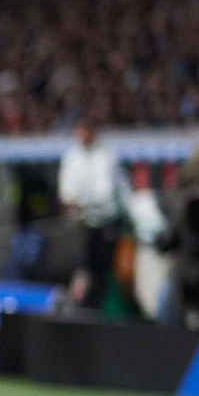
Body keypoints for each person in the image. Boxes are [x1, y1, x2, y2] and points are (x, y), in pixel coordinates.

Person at [57, 119, 126, 312]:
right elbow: (66, 192)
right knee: (85, 268)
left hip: (107, 222)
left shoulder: (106, 156)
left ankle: (107, 307)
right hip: (83, 223)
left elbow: (104, 193)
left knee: (106, 269)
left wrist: (80, 201)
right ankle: (86, 305)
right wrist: (74, 202)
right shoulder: (71, 157)